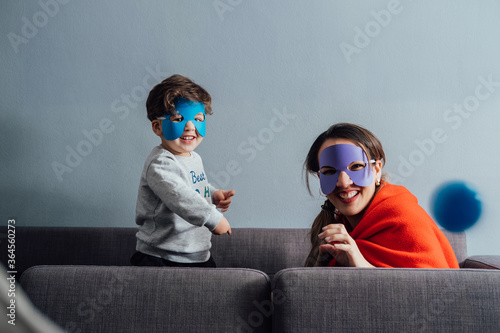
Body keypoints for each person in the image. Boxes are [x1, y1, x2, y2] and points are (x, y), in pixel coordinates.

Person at [303, 123, 459, 268]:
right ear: (320, 177)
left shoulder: (404, 217)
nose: (343, 183)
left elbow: (435, 289)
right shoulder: (336, 228)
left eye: (356, 167)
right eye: (329, 172)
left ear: (377, 170)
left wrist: (361, 264)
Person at [131, 74, 234, 268]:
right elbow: (180, 196)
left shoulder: (193, 157)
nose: (190, 126)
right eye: (179, 119)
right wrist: (213, 218)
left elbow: (193, 185)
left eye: (197, 119)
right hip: (161, 255)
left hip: (196, 253)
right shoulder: (160, 163)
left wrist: (213, 194)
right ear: (157, 126)